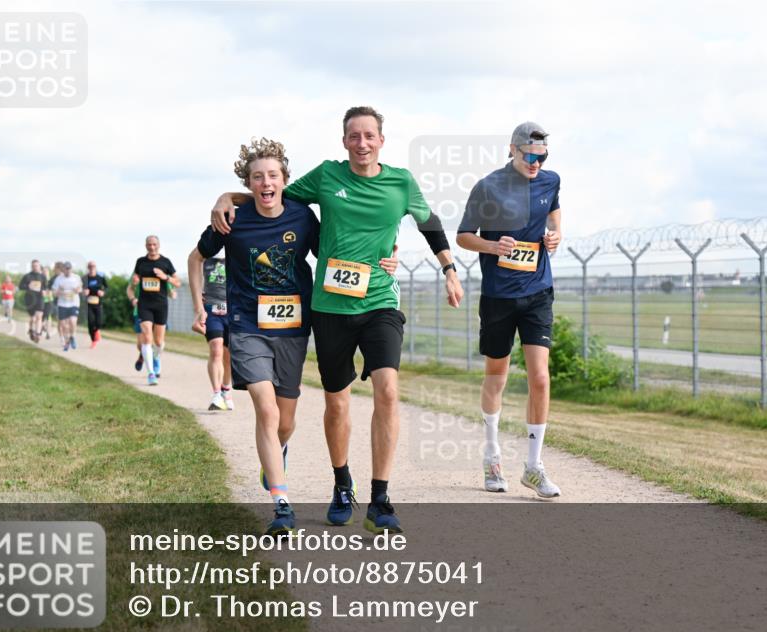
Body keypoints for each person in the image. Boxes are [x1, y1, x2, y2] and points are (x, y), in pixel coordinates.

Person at [211, 107, 463, 534]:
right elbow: (275, 193)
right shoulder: (327, 176)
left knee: (387, 389)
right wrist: (226, 198)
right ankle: (342, 483)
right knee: (337, 401)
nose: (361, 143)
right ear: (344, 141)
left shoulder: (401, 182)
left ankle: (380, 497)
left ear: (381, 139)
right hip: (329, 307)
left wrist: (449, 269)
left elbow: (430, 223)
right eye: (353, 136)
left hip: (380, 299)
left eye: (369, 135)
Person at [456, 121, 562, 498]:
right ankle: (492, 455)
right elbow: (464, 235)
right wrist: (492, 247)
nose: (536, 162)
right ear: (513, 150)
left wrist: (555, 234)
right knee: (497, 377)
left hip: (538, 292)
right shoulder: (489, 186)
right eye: (530, 155)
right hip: (499, 295)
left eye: (542, 156)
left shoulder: (551, 181)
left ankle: (533, 466)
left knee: (540, 378)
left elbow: (554, 213)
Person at [187, 251, 233, 411]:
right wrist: (198, 304)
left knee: (229, 356)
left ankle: (226, 389)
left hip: (232, 310)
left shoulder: (236, 252)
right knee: (216, 350)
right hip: (211, 310)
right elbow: (195, 275)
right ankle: (216, 394)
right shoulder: (205, 255)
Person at [131, 235, 180, 385]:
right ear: (146, 246)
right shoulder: (141, 262)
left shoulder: (165, 262)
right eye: (149, 245)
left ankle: (156, 358)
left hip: (160, 305)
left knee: (158, 342)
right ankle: (151, 373)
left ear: (158, 245)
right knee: (147, 337)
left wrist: (165, 277)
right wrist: (135, 280)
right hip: (144, 305)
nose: (152, 247)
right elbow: (135, 277)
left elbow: (177, 282)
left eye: (154, 245)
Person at [53, 261, 83, 351]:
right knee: (63, 325)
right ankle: (67, 342)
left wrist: (77, 290)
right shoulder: (59, 279)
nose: (68, 270)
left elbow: (80, 289)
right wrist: (60, 291)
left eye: (69, 268)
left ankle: (72, 337)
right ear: (64, 269)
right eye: (66, 269)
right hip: (62, 304)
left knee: (72, 321)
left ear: (71, 269)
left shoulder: (76, 277)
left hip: (74, 303)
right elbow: (54, 293)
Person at [19, 260, 48, 342]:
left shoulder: (43, 277)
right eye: (33, 266)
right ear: (31, 267)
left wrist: (44, 292)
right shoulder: (27, 276)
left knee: (39, 316)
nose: (35, 267)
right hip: (30, 299)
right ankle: (31, 330)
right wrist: (28, 286)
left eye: (36, 265)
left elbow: (46, 287)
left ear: (39, 266)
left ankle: (37, 334)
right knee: (33, 318)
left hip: (40, 299)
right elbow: (21, 286)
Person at [83, 261, 108, 348]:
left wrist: (103, 292)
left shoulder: (100, 278)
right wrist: (83, 291)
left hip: (98, 303)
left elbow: (107, 287)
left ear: (95, 267)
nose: (91, 267)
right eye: (90, 266)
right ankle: (93, 340)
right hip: (88, 304)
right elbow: (79, 288)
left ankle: (97, 331)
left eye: (93, 266)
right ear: (88, 268)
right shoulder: (84, 278)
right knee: (90, 322)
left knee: (99, 322)